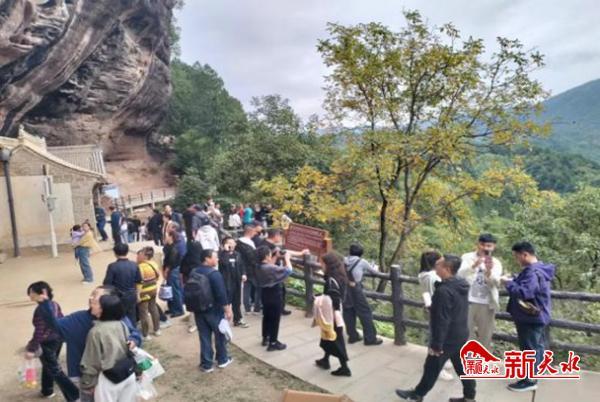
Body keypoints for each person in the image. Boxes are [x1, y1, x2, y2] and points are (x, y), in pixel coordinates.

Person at [396, 255, 476, 402]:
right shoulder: (461, 284)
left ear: (447, 269)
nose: (435, 266)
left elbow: (442, 321)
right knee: (462, 367)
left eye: (438, 264)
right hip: (460, 332)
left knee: (432, 366)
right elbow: (452, 309)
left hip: (447, 337)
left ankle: (417, 395)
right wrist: (435, 308)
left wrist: (437, 345)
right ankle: (470, 397)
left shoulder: (444, 291)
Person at [40, 285, 141, 402]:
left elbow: (134, 334)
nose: (90, 298)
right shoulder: (78, 319)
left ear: (108, 301)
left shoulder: (118, 320)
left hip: (115, 373)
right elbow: (55, 326)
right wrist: (45, 305)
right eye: (92, 294)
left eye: (95, 295)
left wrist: (134, 340)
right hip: (85, 376)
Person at [502, 241, 555, 393]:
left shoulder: (532, 272)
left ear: (525, 255)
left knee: (529, 349)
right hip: (539, 316)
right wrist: (515, 278)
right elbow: (529, 286)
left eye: (516, 256)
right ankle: (536, 372)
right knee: (537, 346)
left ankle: (529, 381)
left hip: (530, 318)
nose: (516, 260)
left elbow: (525, 292)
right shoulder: (539, 269)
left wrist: (508, 283)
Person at [25, 282, 79, 401]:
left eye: (32, 292)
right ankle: (47, 390)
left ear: (42, 292)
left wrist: (32, 348)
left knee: (55, 370)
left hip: (47, 343)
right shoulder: (54, 304)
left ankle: (75, 396)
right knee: (49, 366)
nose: (30, 295)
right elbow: (62, 319)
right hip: (58, 340)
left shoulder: (41, 309)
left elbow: (39, 331)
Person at [80, 294, 138, 401]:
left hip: (108, 380)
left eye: (96, 303)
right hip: (127, 373)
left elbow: (91, 361)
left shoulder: (95, 332)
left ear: (102, 310)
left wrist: (88, 384)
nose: (91, 305)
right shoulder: (121, 324)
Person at [190, 249, 234, 372]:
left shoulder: (194, 271)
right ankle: (222, 359)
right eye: (215, 257)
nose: (217, 259)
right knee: (220, 335)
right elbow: (221, 294)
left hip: (199, 309)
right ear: (207, 259)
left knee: (204, 337)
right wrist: (228, 310)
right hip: (214, 310)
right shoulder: (214, 274)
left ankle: (206, 364)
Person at [457, 233, 503, 349]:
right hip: (467, 300)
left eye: (489, 246)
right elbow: (459, 275)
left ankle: (484, 357)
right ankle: (467, 356)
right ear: (478, 244)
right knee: (465, 332)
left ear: (493, 247)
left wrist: (489, 271)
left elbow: (496, 282)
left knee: (486, 334)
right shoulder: (467, 257)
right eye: (483, 245)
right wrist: (474, 266)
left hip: (487, 302)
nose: (485, 248)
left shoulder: (496, 262)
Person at [418, 251, 454, 382]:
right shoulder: (434, 277)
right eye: (440, 261)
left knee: (435, 335)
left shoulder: (422, 275)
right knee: (438, 337)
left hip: (430, 306)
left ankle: (440, 361)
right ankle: (437, 368)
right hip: (438, 309)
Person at [315, 252, 351, 377]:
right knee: (327, 337)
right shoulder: (340, 276)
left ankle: (345, 368)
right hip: (336, 311)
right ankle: (325, 360)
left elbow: (334, 297)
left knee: (335, 339)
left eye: (322, 263)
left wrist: (320, 299)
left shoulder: (331, 280)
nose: (320, 265)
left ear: (327, 264)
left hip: (332, 314)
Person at [257, 228, 309, 315]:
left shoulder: (263, 243)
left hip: (266, 277)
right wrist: (282, 258)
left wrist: (300, 253)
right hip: (273, 275)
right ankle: (278, 310)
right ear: (276, 236)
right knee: (278, 292)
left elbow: (284, 252)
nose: (281, 238)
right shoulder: (268, 247)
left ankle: (275, 309)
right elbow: (271, 264)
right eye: (280, 236)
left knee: (272, 293)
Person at [343, 244, 383, 345]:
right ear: (361, 253)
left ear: (350, 251)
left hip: (345, 288)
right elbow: (374, 272)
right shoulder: (362, 262)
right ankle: (370, 338)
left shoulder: (344, 260)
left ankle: (352, 336)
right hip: (356, 289)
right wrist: (375, 268)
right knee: (365, 312)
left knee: (348, 311)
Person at [256, 246, 293, 351]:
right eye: (269, 254)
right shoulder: (269, 268)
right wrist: (287, 258)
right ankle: (273, 343)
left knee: (267, 316)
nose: (270, 255)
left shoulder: (258, 266)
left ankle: (265, 338)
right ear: (266, 256)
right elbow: (288, 270)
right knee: (275, 319)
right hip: (274, 294)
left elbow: (269, 266)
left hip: (265, 294)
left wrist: (276, 256)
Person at [103, 243, 141, 325]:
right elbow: (139, 281)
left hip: (118, 296)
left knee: (119, 317)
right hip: (132, 295)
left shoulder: (112, 266)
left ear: (115, 253)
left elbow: (107, 283)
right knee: (132, 316)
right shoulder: (134, 265)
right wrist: (138, 295)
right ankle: (133, 331)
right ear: (127, 251)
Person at [219, 237, 249, 328]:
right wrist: (226, 252)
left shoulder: (237, 254)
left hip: (237, 281)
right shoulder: (221, 255)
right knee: (226, 302)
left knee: (237, 302)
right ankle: (222, 321)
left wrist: (244, 274)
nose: (233, 244)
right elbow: (224, 263)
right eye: (230, 243)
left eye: (233, 243)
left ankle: (238, 319)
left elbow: (242, 265)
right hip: (226, 282)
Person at [136, 247, 161, 340]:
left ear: (145, 256)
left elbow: (139, 282)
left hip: (144, 292)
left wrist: (138, 294)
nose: (138, 256)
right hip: (153, 289)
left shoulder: (140, 267)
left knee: (144, 313)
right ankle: (157, 329)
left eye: (140, 254)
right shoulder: (154, 264)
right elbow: (158, 276)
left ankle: (145, 334)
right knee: (154, 309)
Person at [236, 224, 261, 314]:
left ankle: (247, 309)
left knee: (246, 288)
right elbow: (251, 257)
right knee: (258, 287)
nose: (255, 233)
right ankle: (257, 308)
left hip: (243, 268)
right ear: (250, 232)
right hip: (252, 268)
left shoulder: (238, 242)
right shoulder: (248, 243)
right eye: (254, 231)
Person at [163, 229, 186, 318]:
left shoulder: (174, 248)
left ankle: (179, 310)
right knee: (170, 290)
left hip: (173, 270)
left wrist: (166, 270)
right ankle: (172, 308)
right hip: (171, 270)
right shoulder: (169, 246)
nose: (165, 237)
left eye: (167, 236)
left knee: (175, 290)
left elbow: (171, 261)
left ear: (171, 237)